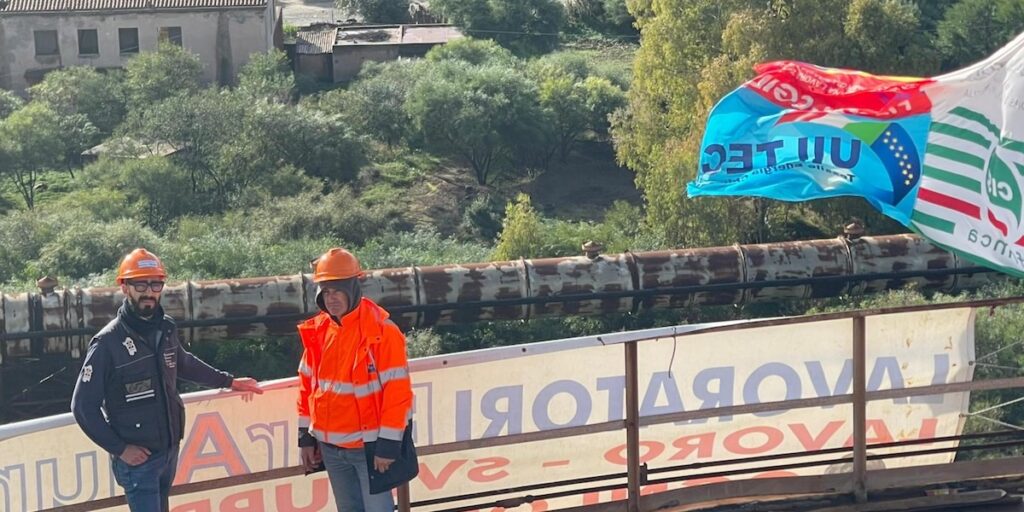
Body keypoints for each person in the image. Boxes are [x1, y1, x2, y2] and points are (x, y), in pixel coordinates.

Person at [71, 248, 263, 512]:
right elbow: (83, 406)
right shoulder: (107, 343)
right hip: (138, 462)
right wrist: (121, 449)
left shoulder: (166, 328)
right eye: (140, 284)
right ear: (124, 288)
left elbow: (183, 363)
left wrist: (228, 381)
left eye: (155, 284)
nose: (149, 292)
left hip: (168, 452)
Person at [297, 247, 414, 512]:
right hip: (331, 449)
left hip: (368, 450)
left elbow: (397, 393)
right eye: (326, 291)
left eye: (337, 291)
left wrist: (387, 446)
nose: (331, 298)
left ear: (353, 288)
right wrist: (306, 437)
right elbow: (307, 386)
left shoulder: (382, 331)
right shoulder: (319, 331)